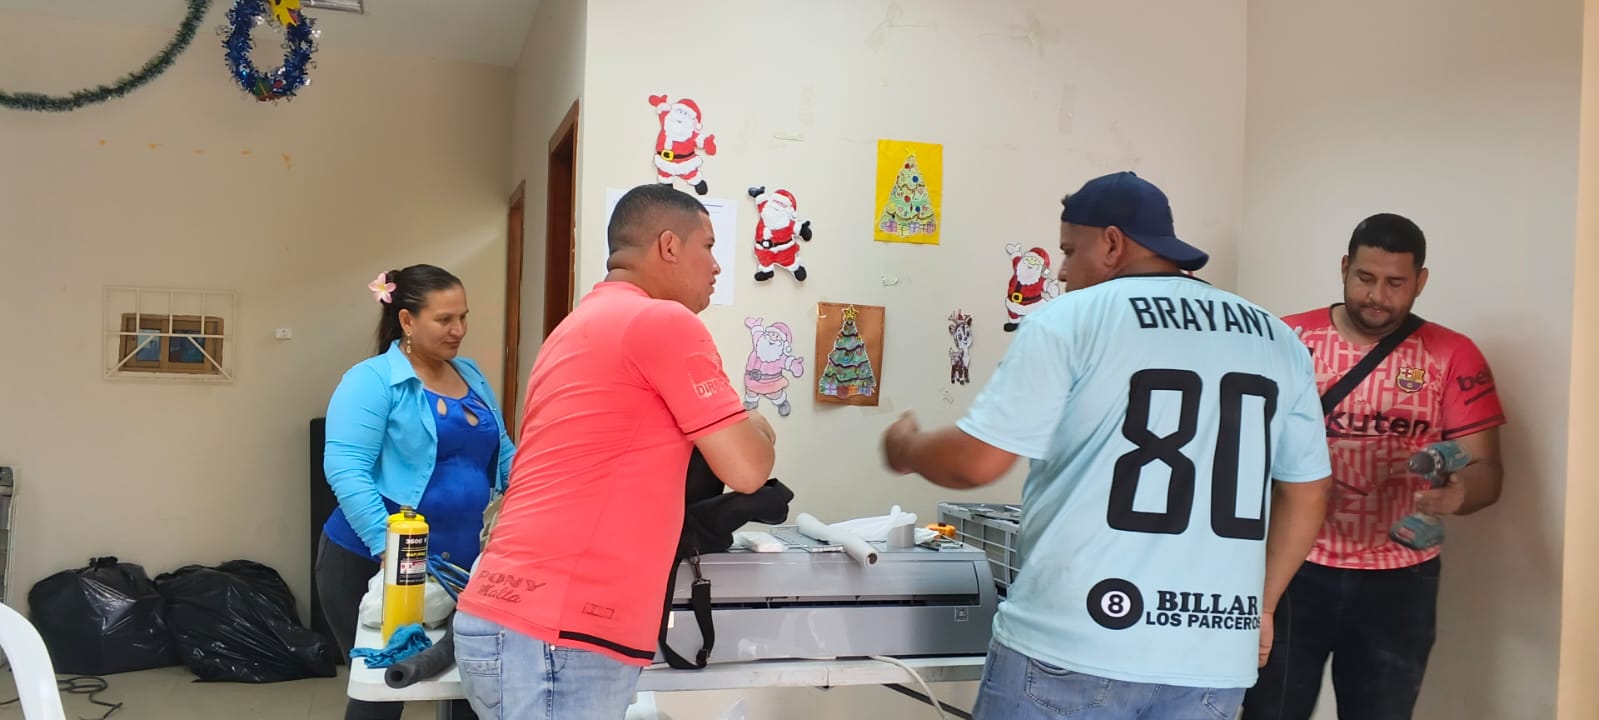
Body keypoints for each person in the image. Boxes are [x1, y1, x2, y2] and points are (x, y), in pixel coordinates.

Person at [880, 171, 1333, 720]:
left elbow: (976, 462)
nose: (1062, 270)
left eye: (1070, 250)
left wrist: (907, 447)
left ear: (1113, 244)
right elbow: (1307, 493)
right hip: (1212, 659)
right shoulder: (1279, 340)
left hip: (1075, 641)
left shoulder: (1070, 320)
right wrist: (1262, 605)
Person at [453, 183, 778, 720]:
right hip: (557, 635)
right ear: (669, 245)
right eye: (708, 246)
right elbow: (748, 470)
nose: (717, 266)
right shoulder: (663, 322)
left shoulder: (573, 330)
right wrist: (758, 426)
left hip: (516, 621)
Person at [1242, 214, 1506, 720]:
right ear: (1344, 267)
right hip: (1291, 566)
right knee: (1269, 710)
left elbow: (1487, 469)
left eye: (1395, 283)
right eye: (1365, 278)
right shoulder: (1285, 337)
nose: (1377, 296)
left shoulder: (1452, 355)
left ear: (1420, 281)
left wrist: (1457, 493)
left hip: (1399, 580)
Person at [318, 263, 516, 720]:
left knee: (472, 688)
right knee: (383, 695)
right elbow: (346, 469)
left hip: (460, 565)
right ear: (407, 320)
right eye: (444, 319)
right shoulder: (370, 380)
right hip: (371, 561)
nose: (458, 330)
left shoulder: (469, 374)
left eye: (463, 317)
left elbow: (504, 453)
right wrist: (389, 551)